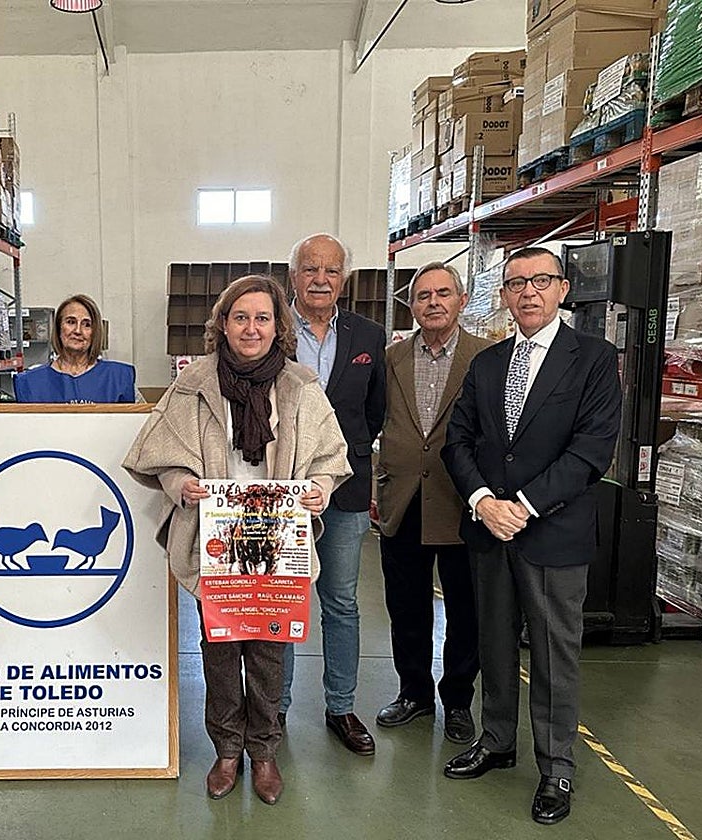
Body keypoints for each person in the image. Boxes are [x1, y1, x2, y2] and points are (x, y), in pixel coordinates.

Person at [124, 275, 350, 806]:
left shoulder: (300, 385)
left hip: (278, 539)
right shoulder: (194, 382)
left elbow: (329, 456)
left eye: (263, 318)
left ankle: (264, 751)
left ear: (278, 326)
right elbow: (159, 454)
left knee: (271, 648)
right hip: (215, 539)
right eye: (241, 317)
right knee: (221, 648)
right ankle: (227, 749)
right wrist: (182, 485)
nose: (252, 328)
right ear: (223, 323)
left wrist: (319, 488)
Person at [441, 247, 621, 826]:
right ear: (504, 295)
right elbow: (458, 442)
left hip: (553, 533)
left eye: (540, 281)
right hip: (491, 530)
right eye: (516, 283)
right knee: (494, 641)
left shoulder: (593, 359)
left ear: (562, 289)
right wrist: (481, 502)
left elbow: (591, 451)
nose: (528, 292)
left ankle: (556, 767)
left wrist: (522, 504)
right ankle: (497, 741)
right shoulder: (489, 364)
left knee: (552, 653)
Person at [374, 262, 491, 746]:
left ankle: (458, 699)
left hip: (463, 500)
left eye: (444, 293)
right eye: (423, 295)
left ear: (461, 301)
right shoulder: (391, 359)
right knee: (406, 605)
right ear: (411, 305)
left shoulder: (487, 358)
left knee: (467, 608)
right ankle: (414, 693)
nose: (433, 302)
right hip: (403, 498)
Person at [279, 233, 386, 756]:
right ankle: (274, 711)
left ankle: (340, 707)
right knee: (282, 597)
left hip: (344, 491)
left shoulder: (370, 335)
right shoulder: (269, 329)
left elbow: (375, 411)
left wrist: (345, 461)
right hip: (281, 490)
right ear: (292, 275)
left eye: (332, 271)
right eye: (310, 269)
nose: (320, 279)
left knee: (340, 601)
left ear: (345, 279)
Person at [13, 294, 137, 403]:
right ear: (58, 328)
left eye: (87, 324)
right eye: (71, 322)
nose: (78, 331)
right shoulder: (29, 382)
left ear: (95, 332)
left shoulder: (120, 377)